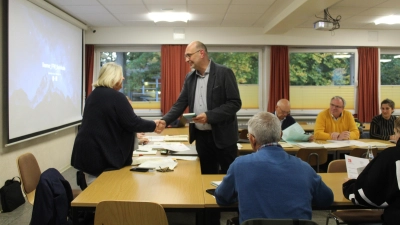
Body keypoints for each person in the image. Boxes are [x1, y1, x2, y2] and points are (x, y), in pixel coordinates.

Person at [214, 112, 333, 224]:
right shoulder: (305, 168)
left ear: (252, 138)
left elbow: (222, 198)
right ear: (280, 135)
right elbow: (326, 199)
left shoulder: (239, 165)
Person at [71, 62, 164, 187]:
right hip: (100, 156)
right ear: (113, 77)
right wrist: (153, 125)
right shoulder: (116, 97)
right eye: (121, 75)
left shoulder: (94, 95)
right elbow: (132, 122)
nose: (123, 78)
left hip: (88, 154)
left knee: (93, 185)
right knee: (105, 191)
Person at [158, 41, 242, 175]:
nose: (186, 60)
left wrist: (209, 116)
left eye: (189, 55)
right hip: (202, 138)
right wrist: (164, 120)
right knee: (206, 177)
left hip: (223, 137)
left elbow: (235, 103)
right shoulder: (190, 78)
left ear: (201, 53)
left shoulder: (224, 72)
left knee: (229, 177)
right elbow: (180, 103)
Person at [343, 116, 400, 225]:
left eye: (395, 133)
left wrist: (349, 186)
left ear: (398, 132)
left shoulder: (390, 156)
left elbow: (368, 194)